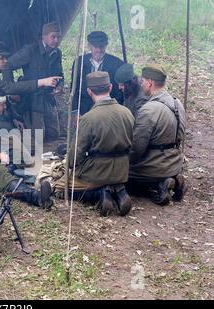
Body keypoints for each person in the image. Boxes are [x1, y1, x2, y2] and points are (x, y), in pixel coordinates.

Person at [38, 72, 135, 216]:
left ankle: (100, 194)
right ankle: (118, 190)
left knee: (57, 187)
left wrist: (68, 163)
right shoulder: (127, 113)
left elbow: (75, 157)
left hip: (96, 173)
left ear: (89, 91)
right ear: (110, 87)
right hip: (122, 171)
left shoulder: (89, 118)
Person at [128, 64, 187, 205]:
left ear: (150, 82)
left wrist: (125, 162)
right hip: (174, 162)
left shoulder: (149, 109)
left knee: (121, 177)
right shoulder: (177, 102)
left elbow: (137, 148)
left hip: (155, 166)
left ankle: (159, 185)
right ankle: (173, 180)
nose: (141, 84)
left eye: (143, 81)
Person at [0, 41, 61, 131]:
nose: (5, 61)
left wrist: (13, 119)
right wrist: (42, 82)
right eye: (2, 58)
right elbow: (10, 88)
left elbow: (4, 97)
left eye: (5, 58)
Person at [2, 21, 64, 140]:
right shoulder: (30, 50)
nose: (56, 40)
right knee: (38, 138)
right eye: (53, 37)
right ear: (43, 36)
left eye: (58, 37)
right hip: (32, 99)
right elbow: (7, 65)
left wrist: (60, 86)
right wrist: (12, 89)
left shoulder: (57, 53)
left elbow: (60, 74)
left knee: (54, 134)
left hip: (48, 99)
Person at [71, 31, 124, 116]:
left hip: (109, 111)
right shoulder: (79, 62)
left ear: (106, 45)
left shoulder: (117, 64)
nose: (99, 50)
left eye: (101, 47)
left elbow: (119, 92)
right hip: (85, 110)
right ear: (89, 46)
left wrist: (115, 111)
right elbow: (75, 88)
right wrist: (74, 111)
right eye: (95, 47)